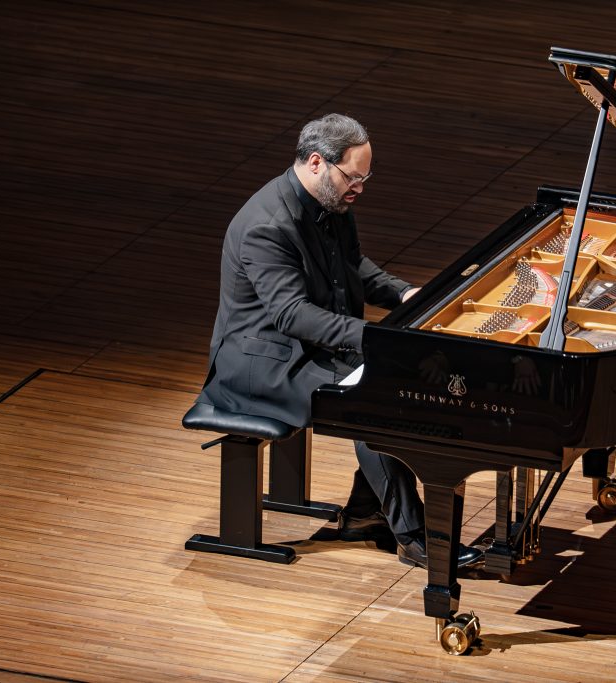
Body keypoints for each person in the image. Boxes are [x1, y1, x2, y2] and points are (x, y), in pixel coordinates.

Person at [194, 113, 482, 569]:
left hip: (304, 348)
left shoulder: (331, 203)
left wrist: (405, 293)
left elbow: (355, 268)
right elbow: (290, 314)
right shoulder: (266, 226)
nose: (360, 187)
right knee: (374, 404)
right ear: (315, 163)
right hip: (258, 364)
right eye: (354, 176)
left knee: (394, 389)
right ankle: (415, 537)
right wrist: (375, 338)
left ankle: (367, 513)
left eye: (366, 177)